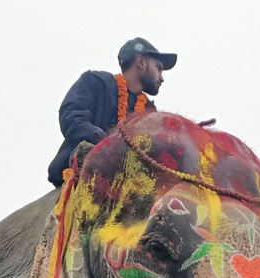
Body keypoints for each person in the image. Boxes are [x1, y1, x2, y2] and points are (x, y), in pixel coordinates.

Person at [48, 38, 177, 186]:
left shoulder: (150, 114)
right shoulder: (96, 82)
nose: (162, 78)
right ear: (140, 62)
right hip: (78, 180)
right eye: (158, 67)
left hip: (127, 188)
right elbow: (71, 118)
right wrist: (108, 144)